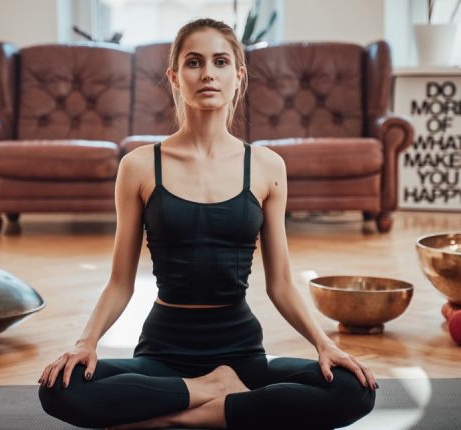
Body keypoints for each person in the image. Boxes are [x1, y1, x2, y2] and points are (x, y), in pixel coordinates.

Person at [38, 18, 377, 429]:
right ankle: (214, 396)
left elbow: (281, 283)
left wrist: (324, 344)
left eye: (219, 62)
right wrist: (85, 343)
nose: (207, 74)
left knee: (353, 388)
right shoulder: (140, 166)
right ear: (175, 77)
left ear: (238, 76)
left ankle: (173, 420)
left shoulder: (267, 166)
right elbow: (120, 281)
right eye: (194, 63)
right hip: (163, 352)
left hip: (241, 353)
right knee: (60, 388)